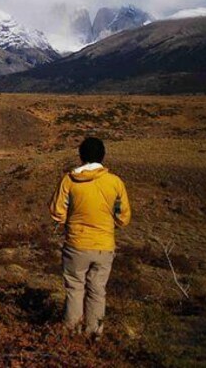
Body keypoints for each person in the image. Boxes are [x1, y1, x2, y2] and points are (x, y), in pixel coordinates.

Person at [49, 137, 131, 336]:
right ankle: (94, 334)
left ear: (80, 155)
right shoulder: (115, 182)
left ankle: (71, 334)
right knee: (97, 290)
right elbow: (123, 217)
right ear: (103, 156)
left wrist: (67, 218)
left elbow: (57, 211)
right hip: (104, 245)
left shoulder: (69, 180)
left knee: (75, 289)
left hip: (76, 243)